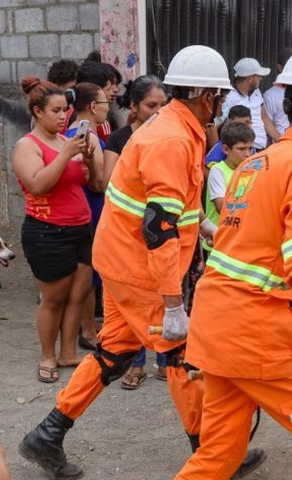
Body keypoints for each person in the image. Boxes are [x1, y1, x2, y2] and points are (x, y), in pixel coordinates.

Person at [19, 46, 264, 480]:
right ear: (205, 95)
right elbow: (160, 229)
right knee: (180, 355)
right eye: (220, 96)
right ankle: (213, 451)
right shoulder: (172, 138)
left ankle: (47, 434)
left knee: (114, 350)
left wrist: (209, 230)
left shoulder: (175, 128)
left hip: (121, 259)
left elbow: (175, 209)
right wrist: (173, 304)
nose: (223, 104)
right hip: (140, 268)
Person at [172, 43, 292, 480]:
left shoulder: (252, 165)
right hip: (252, 332)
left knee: (218, 453)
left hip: (215, 325)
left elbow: (238, 247)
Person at [13, 77, 99, 383]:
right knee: (54, 298)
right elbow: (37, 184)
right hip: (47, 232)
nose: (64, 117)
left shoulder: (67, 142)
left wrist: (88, 157)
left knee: (79, 294)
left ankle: (67, 353)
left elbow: (93, 182)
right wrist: (66, 156)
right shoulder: (27, 145)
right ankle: (47, 356)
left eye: (66, 110)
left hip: (80, 229)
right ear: (37, 111)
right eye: (56, 111)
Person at [103, 75, 170, 389]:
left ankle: (166, 362)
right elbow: (109, 183)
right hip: (126, 242)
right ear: (133, 106)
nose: (158, 111)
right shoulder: (119, 140)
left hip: (161, 241)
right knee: (133, 313)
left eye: (163, 105)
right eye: (151, 105)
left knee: (163, 307)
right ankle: (138, 365)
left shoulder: (170, 140)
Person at [63, 82, 110, 353]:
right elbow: (99, 183)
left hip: (83, 206)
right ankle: (89, 331)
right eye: (104, 103)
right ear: (93, 106)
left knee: (87, 272)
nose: (107, 108)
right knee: (90, 272)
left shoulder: (70, 132)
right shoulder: (88, 136)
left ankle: (87, 327)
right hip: (91, 206)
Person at [223, 57, 270, 150]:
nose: (261, 78)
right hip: (244, 150)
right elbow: (215, 125)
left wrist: (279, 139)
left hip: (262, 148)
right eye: (258, 76)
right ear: (250, 79)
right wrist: (220, 152)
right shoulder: (228, 96)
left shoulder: (257, 92)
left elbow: (265, 118)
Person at [263, 47, 292, 143]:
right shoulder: (269, 96)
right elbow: (267, 128)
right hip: (280, 147)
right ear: (280, 68)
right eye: (290, 67)